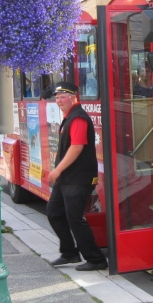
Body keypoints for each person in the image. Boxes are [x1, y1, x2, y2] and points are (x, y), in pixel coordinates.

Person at [46, 81, 108, 271]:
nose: (59, 101)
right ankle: (70, 253)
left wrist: (57, 170)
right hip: (67, 179)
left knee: (75, 219)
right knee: (54, 213)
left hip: (78, 178)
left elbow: (77, 146)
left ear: (74, 97)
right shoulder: (69, 117)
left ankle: (96, 259)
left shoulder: (78, 118)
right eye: (56, 98)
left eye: (62, 97)